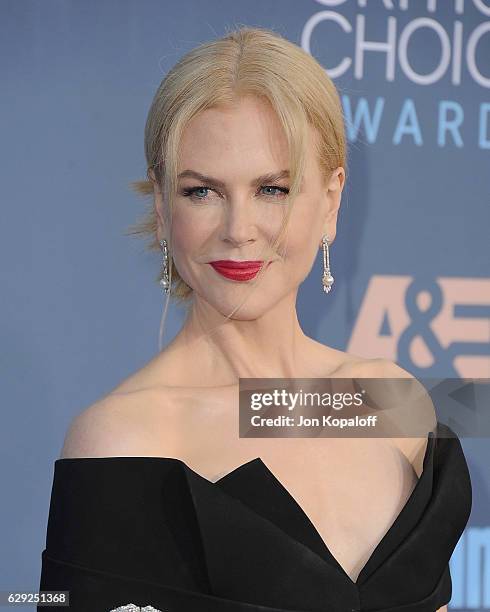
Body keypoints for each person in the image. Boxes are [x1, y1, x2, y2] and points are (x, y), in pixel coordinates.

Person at [38, 26, 472, 612]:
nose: (239, 229)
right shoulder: (124, 438)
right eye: (202, 192)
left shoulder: (386, 400)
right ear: (163, 209)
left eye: (272, 189)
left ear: (332, 199)